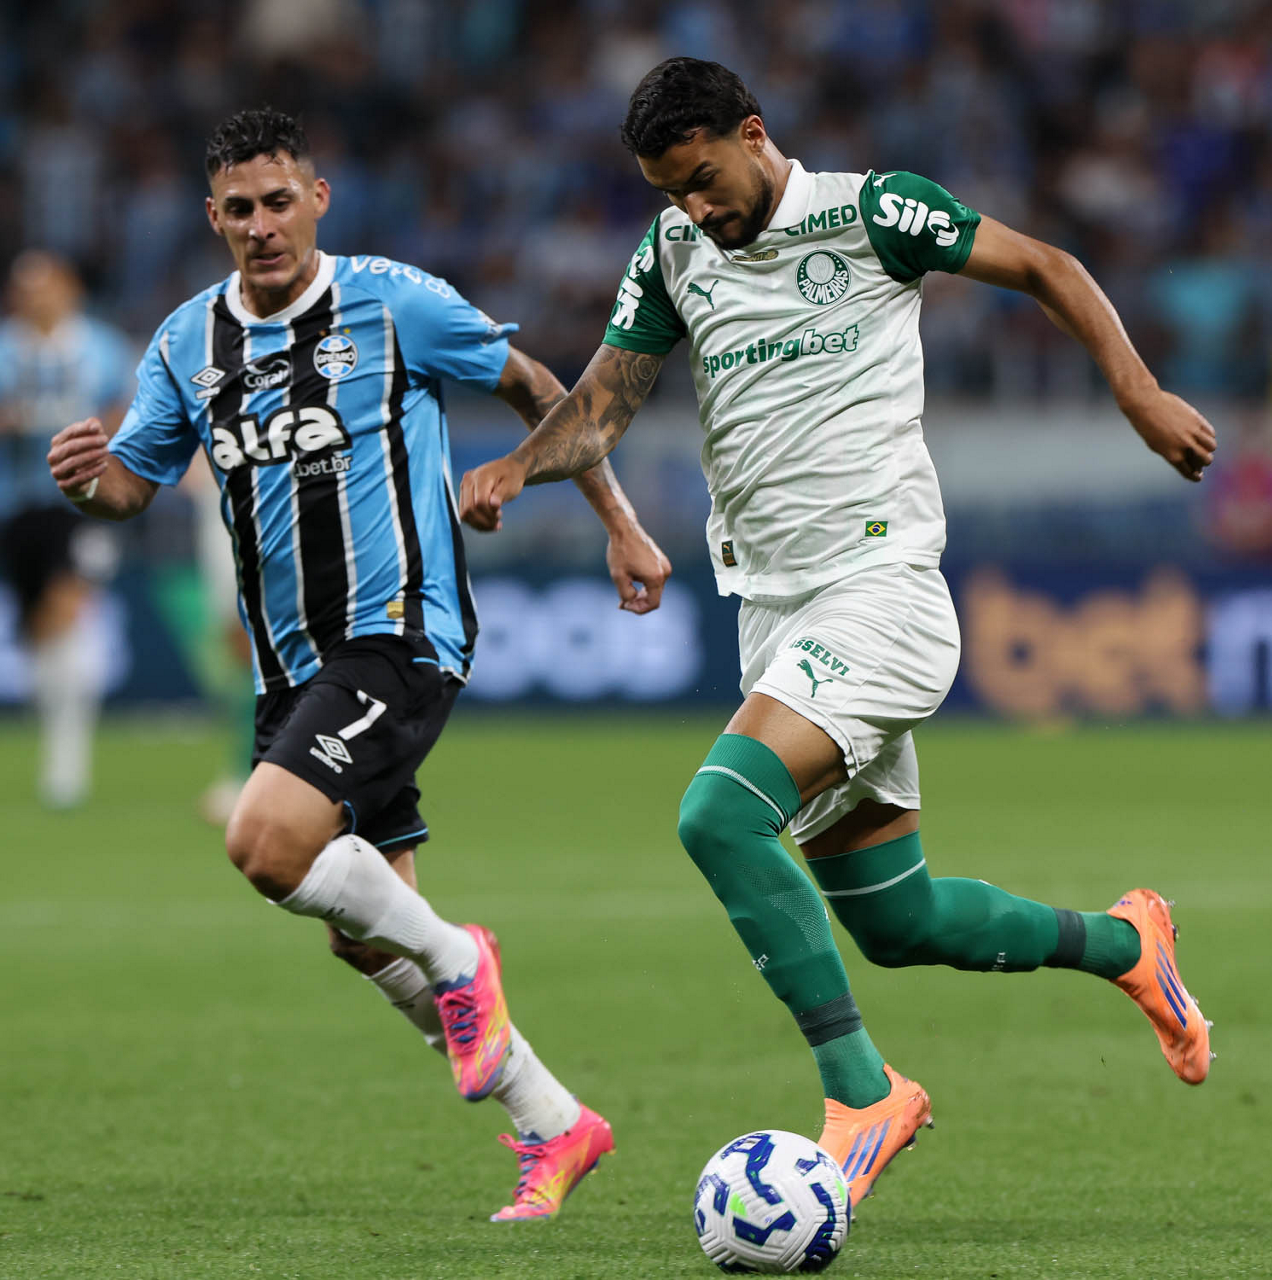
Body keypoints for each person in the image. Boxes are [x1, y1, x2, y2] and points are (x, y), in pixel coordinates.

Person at [458, 58, 1218, 1211]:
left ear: (752, 134)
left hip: (880, 591)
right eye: (668, 192)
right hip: (773, 610)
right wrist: (520, 463)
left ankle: (863, 1091)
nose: (692, 208)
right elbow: (604, 401)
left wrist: (1136, 392)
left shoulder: (872, 212)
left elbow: (1046, 266)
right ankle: (1126, 945)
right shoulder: (673, 253)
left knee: (718, 814)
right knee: (896, 919)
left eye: (702, 179)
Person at [46, 107, 672, 1222]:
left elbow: (540, 388)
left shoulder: (393, 303)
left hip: (398, 632)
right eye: (239, 209)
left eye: (279, 202)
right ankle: (555, 1121)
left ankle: (464, 956)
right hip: (290, 667)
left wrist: (618, 526)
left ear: (317, 200)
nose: (261, 226)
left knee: (263, 841)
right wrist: (87, 482)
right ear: (211, 218)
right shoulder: (187, 341)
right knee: (362, 933)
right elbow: (133, 484)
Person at [0, 250, 133, 808]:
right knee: (37, 628)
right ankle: (56, 745)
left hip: (84, 504)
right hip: (19, 504)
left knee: (66, 605)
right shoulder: (6, 349)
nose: (36, 299)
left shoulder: (101, 346)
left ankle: (67, 765)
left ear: (70, 288)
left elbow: (127, 412)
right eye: (25, 289)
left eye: (45, 286)